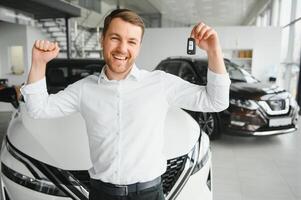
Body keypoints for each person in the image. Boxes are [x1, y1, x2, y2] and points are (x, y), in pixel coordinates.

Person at [21, 8, 230, 200]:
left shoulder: (160, 83)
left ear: (139, 46)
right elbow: (38, 109)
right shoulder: (83, 89)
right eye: (115, 38)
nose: (122, 48)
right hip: (102, 194)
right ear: (102, 39)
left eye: (132, 41)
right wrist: (38, 63)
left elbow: (216, 101)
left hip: (149, 194)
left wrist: (214, 51)